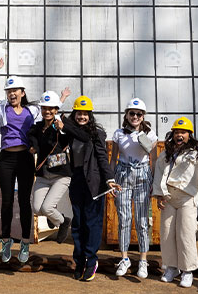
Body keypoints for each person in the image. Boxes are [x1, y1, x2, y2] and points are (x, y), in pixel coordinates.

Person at [0, 59, 41, 262]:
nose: (11, 94)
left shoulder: (32, 111)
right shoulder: (1, 108)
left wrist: (61, 100)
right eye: (8, 91)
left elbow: (47, 115)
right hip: (7, 158)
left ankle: (25, 243)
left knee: (24, 201)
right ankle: (5, 240)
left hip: (26, 158)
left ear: (22, 92)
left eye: (15, 90)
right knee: (7, 201)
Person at [65, 95, 118, 281]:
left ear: (90, 115)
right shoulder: (69, 133)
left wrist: (109, 178)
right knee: (78, 222)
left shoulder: (97, 133)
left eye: (85, 114)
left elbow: (102, 157)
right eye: (79, 113)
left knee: (92, 222)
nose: (82, 117)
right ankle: (79, 260)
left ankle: (91, 260)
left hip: (94, 181)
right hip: (77, 179)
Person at [153, 117, 198, 288]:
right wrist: (158, 196)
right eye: (177, 132)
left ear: (189, 135)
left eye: (183, 132)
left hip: (187, 198)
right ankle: (171, 267)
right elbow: (157, 174)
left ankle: (187, 270)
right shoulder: (165, 153)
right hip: (168, 197)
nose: (180, 135)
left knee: (185, 234)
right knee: (167, 233)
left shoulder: (197, 153)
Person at [111, 98, 157, 279]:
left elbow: (153, 158)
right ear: (126, 115)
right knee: (124, 218)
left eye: (139, 114)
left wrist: (154, 181)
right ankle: (124, 258)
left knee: (142, 219)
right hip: (123, 175)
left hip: (142, 175)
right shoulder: (118, 134)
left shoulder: (150, 134)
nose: (135, 117)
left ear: (143, 116)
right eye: (132, 113)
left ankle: (143, 260)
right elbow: (114, 157)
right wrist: (111, 180)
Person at [27, 88, 74, 257]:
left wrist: (63, 128)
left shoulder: (63, 124)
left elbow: (71, 137)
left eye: (51, 108)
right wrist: (33, 147)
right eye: (44, 108)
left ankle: (63, 222)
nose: (47, 111)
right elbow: (31, 136)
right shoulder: (37, 127)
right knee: (37, 208)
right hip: (43, 175)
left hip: (61, 175)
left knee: (47, 207)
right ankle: (58, 217)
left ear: (56, 110)